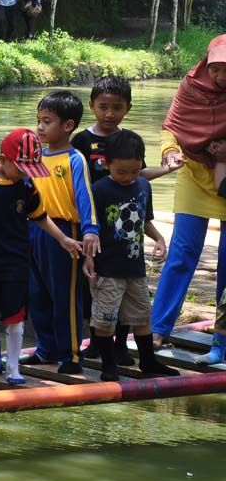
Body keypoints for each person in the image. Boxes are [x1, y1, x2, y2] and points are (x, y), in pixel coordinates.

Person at [0, 128, 80, 384]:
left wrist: (63, 239)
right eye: (20, 169)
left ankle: (13, 367)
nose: (24, 175)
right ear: (3, 159)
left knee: (14, 315)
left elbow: (40, 216)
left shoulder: (27, 186)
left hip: (17, 259)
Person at [72, 76, 181, 363]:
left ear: (128, 108)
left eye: (117, 108)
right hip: (93, 226)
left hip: (125, 227)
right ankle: (95, 344)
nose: (109, 114)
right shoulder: (82, 140)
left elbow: (138, 175)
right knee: (93, 287)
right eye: (103, 107)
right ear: (92, 106)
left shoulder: (128, 141)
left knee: (124, 292)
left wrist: (167, 170)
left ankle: (120, 346)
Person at [151, 34, 226, 348]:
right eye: (216, 69)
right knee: (181, 255)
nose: (221, 77)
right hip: (194, 175)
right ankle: (158, 329)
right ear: (206, 64)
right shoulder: (190, 87)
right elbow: (171, 126)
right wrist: (170, 152)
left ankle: (222, 337)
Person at [86, 130, 179, 381]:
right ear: (107, 164)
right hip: (107, 269)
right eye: (121, 172)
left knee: (141, 316)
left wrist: (159, 238)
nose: (128, 178)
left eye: (135, 172)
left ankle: (148, 361)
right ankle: (108, 364)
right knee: (104, 319)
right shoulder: (99, 190)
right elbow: (90, 227)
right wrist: (88, 257)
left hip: (135, 268)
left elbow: (145, 221)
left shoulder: (143, 186)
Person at [22, 90, 99, 373]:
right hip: (34, 230)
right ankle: (46, 350)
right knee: (36, 293)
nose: (40, 127)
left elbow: (85, 197)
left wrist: (90, 231)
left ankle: (71, 355)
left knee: (64, 296)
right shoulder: (34, 157)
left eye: (47, 121)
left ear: (67, 125)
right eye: (38, 121)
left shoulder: (74, 159)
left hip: (65, 233)